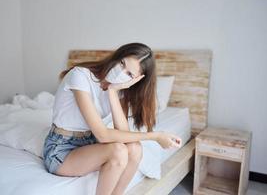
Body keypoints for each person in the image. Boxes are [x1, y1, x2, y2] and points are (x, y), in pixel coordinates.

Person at [42, 42, 181, 195]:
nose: (120, 72)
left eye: (129, 74)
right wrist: (156, 136)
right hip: (61, 148)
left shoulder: (119, 90)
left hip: (88, 142)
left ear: (135, 80)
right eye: (122, 63)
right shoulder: (80, 75)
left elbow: (125, 136)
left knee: (134, 148)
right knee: (118, 151)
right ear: (117, 56)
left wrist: (113, 91)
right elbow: (102, 135)